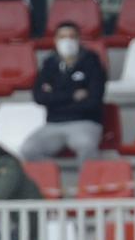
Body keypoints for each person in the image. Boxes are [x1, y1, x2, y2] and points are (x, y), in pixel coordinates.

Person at [22, 22, 107, 163]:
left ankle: (85, 184)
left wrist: (54, 97)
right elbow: (39, 97)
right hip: (53, 124)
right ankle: (52, 182)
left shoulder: (92, 62)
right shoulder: (49, 63)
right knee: (29, 149)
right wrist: (73, 95)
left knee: (85, 145)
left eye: (71, 37)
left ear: (79, 39)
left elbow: (94, 100)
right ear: (55, 40)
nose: (67, 41)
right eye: (62, 37)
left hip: (84, 121)